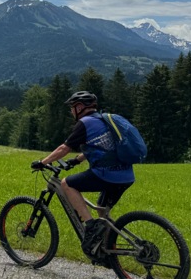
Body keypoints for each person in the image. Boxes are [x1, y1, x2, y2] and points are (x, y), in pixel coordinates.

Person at [32, 91, 135, 258]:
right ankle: (107, 253)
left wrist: (43, 162)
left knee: (67, 183)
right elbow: (101, 146)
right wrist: (77, 160)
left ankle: (90, 226)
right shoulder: (103, 121)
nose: (71, 111)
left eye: (72, 108)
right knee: (103, 212)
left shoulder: (84, 123)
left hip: (107, 174)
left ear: (79, 107)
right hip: (126, 175)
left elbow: (64, 148)